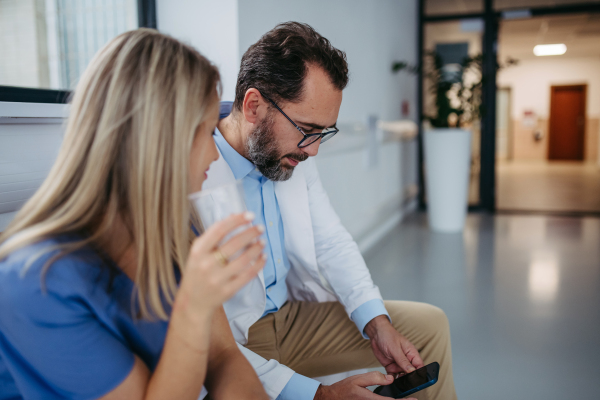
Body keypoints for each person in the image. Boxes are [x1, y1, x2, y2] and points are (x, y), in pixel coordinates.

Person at [0, 29, 268, 400]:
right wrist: (193, 306)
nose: (213, 154)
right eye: (206, 132)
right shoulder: (35, 282)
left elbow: (224, 357)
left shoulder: (171, 227)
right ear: (161, 139)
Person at [203, 22, 458, 400]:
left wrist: (376, 323)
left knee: (429, 326)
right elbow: (204, 340)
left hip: (288, 316)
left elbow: (331, 241)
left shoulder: (292, 151)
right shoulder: (192, 174)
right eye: (307, 130)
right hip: (230, 340)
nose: (314, 150)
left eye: (323, 132)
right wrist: (320, 395)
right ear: (253, 106)